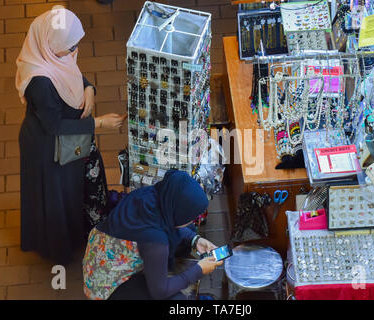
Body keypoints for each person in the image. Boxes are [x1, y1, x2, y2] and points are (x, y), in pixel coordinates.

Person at [16, 9, 126, 265]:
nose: (75, 51)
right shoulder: (38, 81)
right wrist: (98, 123)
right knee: (60, 195)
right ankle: (63, 246)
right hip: (50, 148)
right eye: (70, 46)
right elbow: (54, 125)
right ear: (50, 44)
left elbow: (68, 72)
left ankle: (82, 231)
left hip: (71, 142)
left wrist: (89, 87)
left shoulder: (49, 55)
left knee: (75, 187)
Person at [83, 170, 223, 300]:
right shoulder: (156, 242)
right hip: (104, 287)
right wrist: (199, 270)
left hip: (98, 257)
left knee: (189, 231)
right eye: (191, 217)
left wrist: (195, 240)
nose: (193, 220)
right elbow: (160, 292)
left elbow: (164, 224)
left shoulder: (150, 195)